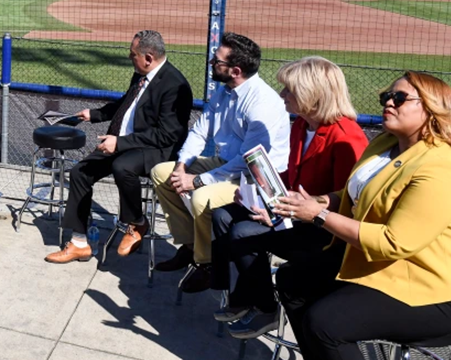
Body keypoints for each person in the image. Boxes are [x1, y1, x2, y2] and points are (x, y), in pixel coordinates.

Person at [273, 72, 451, 360]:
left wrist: (319, 215)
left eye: (400, 98)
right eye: (387, 97)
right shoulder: (384, 144)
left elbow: (394, 242)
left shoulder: (439, 166)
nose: (388, 103)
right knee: (292, 279)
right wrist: (323, 200)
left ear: (431, 107)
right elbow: (358, 193)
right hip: (374, 265)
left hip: (426, 288)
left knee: (326, 323)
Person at [210, 57, 368, 338]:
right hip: (291, 211)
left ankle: (266, 309)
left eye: (289, 90)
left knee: (244, 234)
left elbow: (348, 202)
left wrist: (278, 213)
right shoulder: (301, 125)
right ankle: (241, 299)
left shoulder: (346, 138)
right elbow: (292, 178)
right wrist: (257, 192)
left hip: (322, 230)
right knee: (223, 215)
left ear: (312, 94)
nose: (282, 94)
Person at [150, 32, 291, 293]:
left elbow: (247, 160)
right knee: (162, 173)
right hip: (225, 163)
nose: (211, 64)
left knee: (202, 197)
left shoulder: (263, 103)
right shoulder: (224, 91)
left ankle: (206, 265)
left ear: (235, 70)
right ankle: (192, 246)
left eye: (217, 62)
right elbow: (200, 131)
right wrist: (182, 166)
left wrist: (197, 180)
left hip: (254, 177)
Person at [45, 30, 194, 263]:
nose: (128, 57)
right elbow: (126, 104)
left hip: (156, 150)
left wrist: (120, 143)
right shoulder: (141, 74)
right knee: (79, 172)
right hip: (126, 142)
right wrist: (94, 114)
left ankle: (137, 222)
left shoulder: (176, 86)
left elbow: (167, 135)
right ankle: (79, 243)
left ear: (149, 57)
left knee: (122, 166)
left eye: (132, 53)